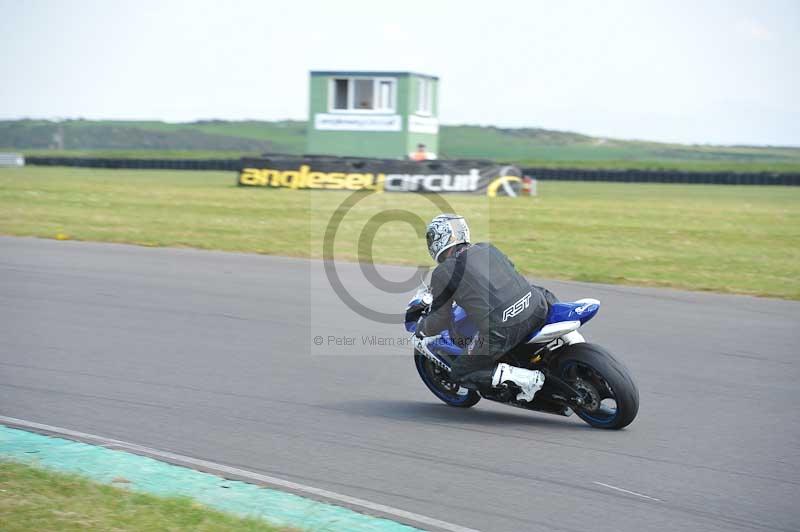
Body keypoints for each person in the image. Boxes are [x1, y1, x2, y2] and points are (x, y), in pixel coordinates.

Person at [415, 214, 558, 401]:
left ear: (441, 239)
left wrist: (422, 329)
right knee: (537, 290)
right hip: (536, 306)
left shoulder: (443, 272)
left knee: (460, 372)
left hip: (503, 329)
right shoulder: (487, 248)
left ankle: (528, 379)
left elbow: (440, 319)